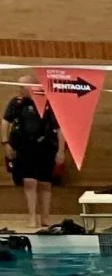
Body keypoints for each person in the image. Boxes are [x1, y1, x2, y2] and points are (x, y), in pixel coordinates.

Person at [6, 88, 61, 230]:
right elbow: (5, 122)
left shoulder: (49, 103)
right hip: (24, 146)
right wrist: (5, 143)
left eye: (24, 88)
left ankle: (45, 217)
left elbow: (60, 128)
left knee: (45, 183)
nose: (21, 91)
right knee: (29, 182)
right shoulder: (16, 104)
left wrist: (61, 150)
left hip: (45, 146)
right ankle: (32, 217)